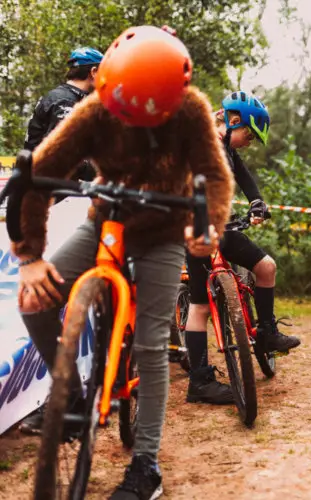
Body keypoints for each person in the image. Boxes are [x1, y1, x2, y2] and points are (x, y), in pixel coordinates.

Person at [13, 25, 234, 499]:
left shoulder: (191, 110)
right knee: (34, 300)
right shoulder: (92, 109)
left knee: (153, 346)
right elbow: (39, 174)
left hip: (163, 233)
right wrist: (30, 256)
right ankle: (68, 389)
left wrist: (207, 226)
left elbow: (215, 176)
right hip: (105, 221)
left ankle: (146, 465)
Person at [183, 91, 301, 405]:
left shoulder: (224, 146)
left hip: (219, 228)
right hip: (194, 229)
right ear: (234, 121)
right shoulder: (201, 141)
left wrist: (257, 203)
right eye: (248, 135)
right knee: (199, 307)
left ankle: (266, 332)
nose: (249, 142)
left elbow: (244, 175)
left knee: (266, 267)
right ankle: (199, 381)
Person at [17, 46, 105, 436]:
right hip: (68, 199)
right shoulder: (69, 103)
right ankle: (71, 390)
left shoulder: (53, 97)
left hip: (58, 196)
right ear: (94, 71)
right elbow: (70, 154)